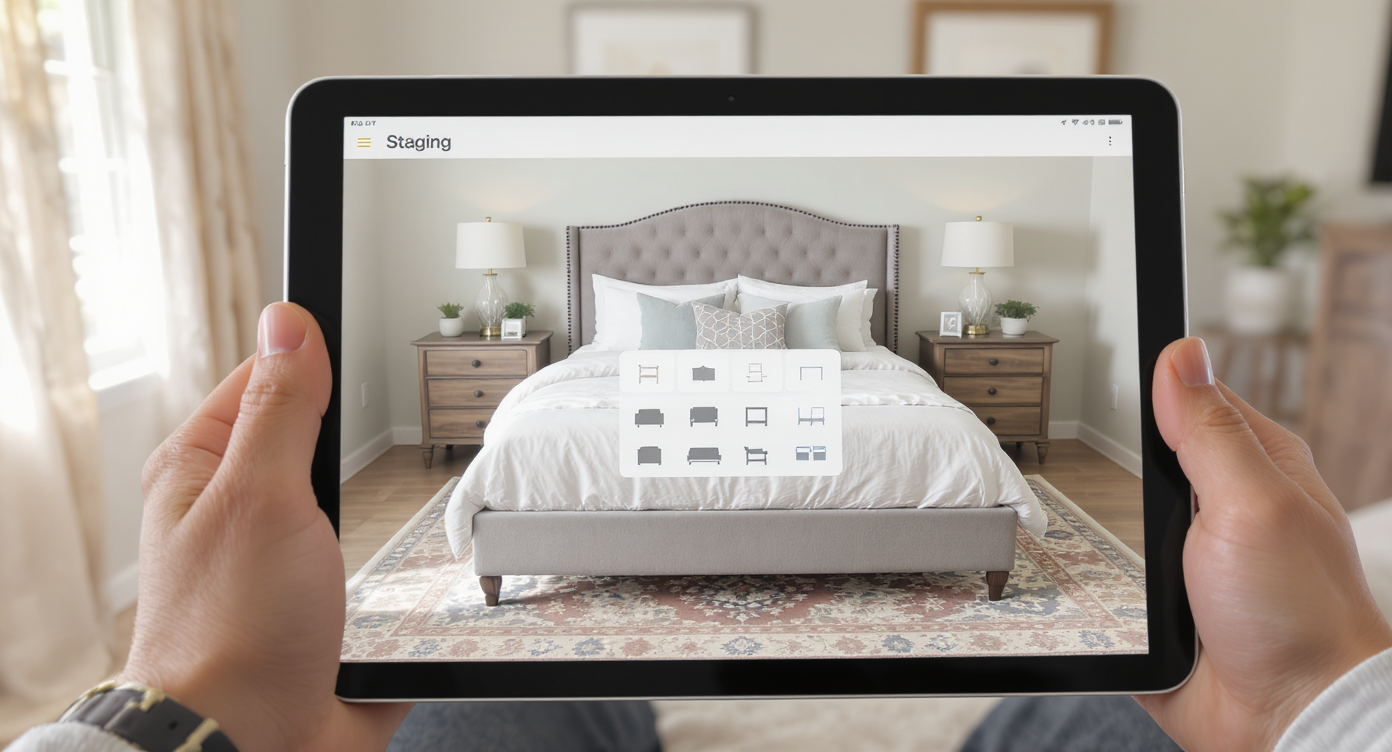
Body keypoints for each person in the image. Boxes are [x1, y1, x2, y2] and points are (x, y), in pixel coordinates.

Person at [7, 303, 1391, 751]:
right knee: (1065, 713)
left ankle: (612, 701)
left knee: (572, 698)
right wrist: (1328, 698)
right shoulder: (576, 364)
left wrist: (181, 706)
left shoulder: (878, 357)